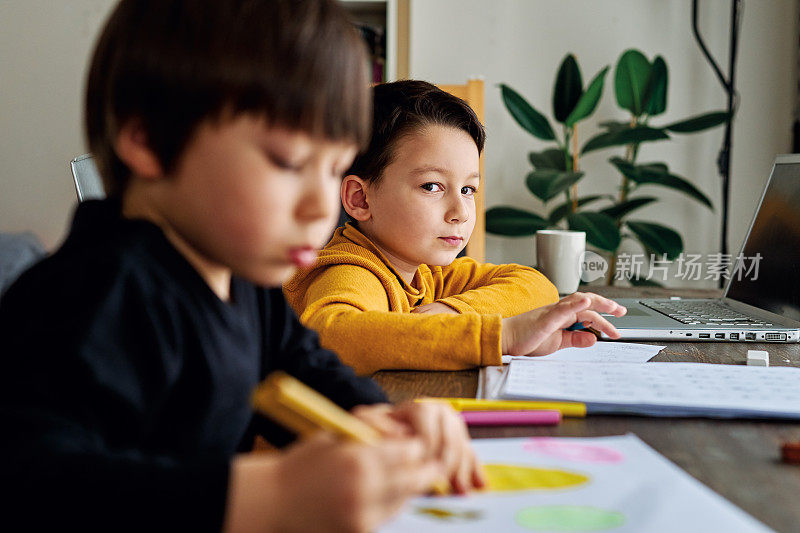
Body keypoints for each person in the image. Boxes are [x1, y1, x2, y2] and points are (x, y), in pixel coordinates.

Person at [0, 3, 483, 532]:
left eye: (333, 169)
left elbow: (301, 365)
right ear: (150, 141)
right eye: (289, 163)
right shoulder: (93, 292)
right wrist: (267, 496)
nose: (321, 207)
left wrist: (377, 419)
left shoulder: (241, 278)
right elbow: (32, 481)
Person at [284, 80, 627, 375]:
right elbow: (332, 336)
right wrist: (502, 337)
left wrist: (452, 310)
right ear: (360, 198)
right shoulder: (349, 270)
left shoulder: (425, 272)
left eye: (468, 190)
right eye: (431, 186)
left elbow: (536, 286)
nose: (460, 212)